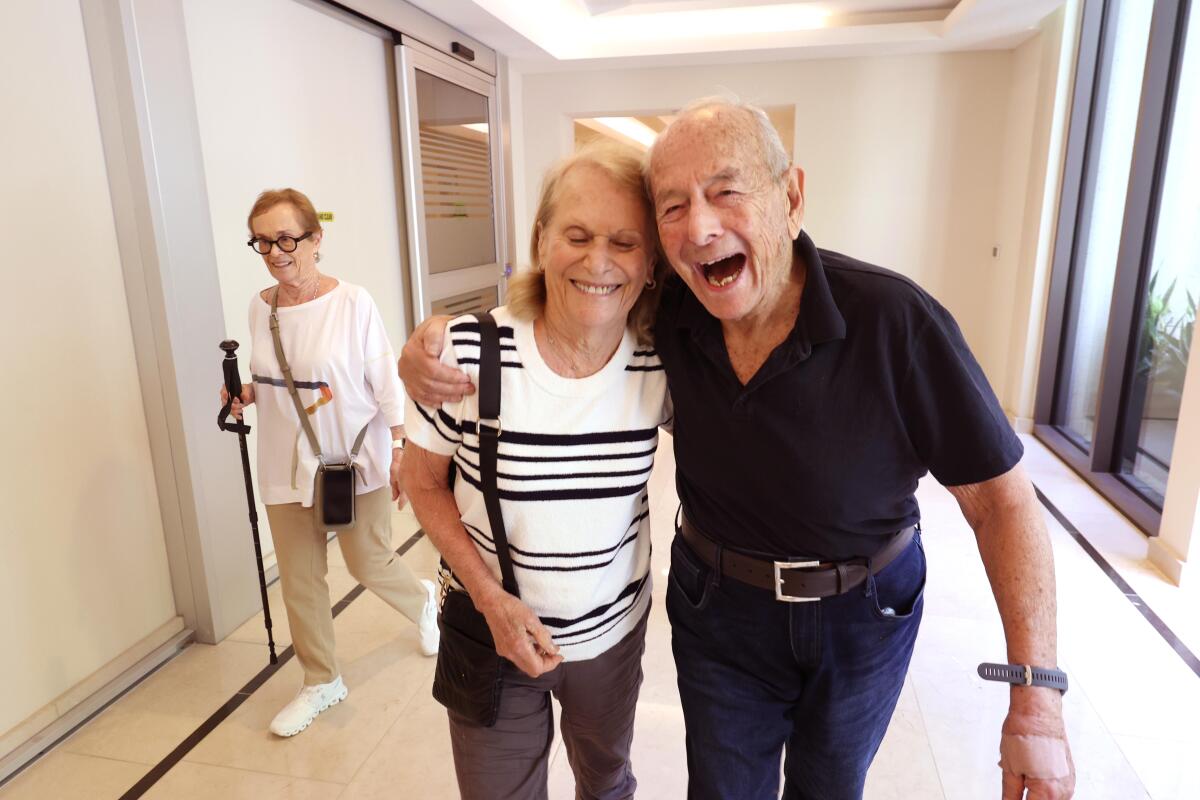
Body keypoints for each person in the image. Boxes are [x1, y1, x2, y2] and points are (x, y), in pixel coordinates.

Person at [400, 99, 1075, 800]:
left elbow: (1002, 503)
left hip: (864, 615)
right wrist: (426, 346)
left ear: (791, 197)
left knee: (829, 788)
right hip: (721, 612)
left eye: (726, 191)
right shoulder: (672, 320)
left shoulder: (894, 321)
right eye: (673, 206)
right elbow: (558, 327)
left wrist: (1038, 696)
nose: (700, 226)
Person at [402, 143, 670, 800]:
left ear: (651, 261)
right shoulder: (465, 354)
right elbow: (420, 481)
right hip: (490, 630)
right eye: (577, 235)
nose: (599, 261)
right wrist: (490, 601)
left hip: (611, 635)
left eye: (624, 242)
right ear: (542, 240)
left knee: (606, 782)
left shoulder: (662, 366)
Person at [220, 188, 439, 738]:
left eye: (287, 238)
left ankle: (424, 604)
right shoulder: (259, 306)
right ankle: (321, 680)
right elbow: (282, 379)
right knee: (300, 579)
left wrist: (399, 448)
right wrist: (246, 392)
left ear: (316, 240)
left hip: (350, 457)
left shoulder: (352, 303)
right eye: (263, 241)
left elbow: (384, 379)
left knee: (367, 560)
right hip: (283, 463)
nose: (275, 251)